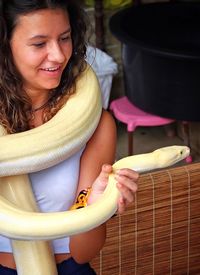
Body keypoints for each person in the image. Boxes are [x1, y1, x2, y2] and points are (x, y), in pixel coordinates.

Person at [0, 0, 139, 274]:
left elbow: (84, 252)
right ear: (5, 47)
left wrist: (94, 208)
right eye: (39, 44)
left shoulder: (95, 126)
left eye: (64, 38)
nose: (59, 55)